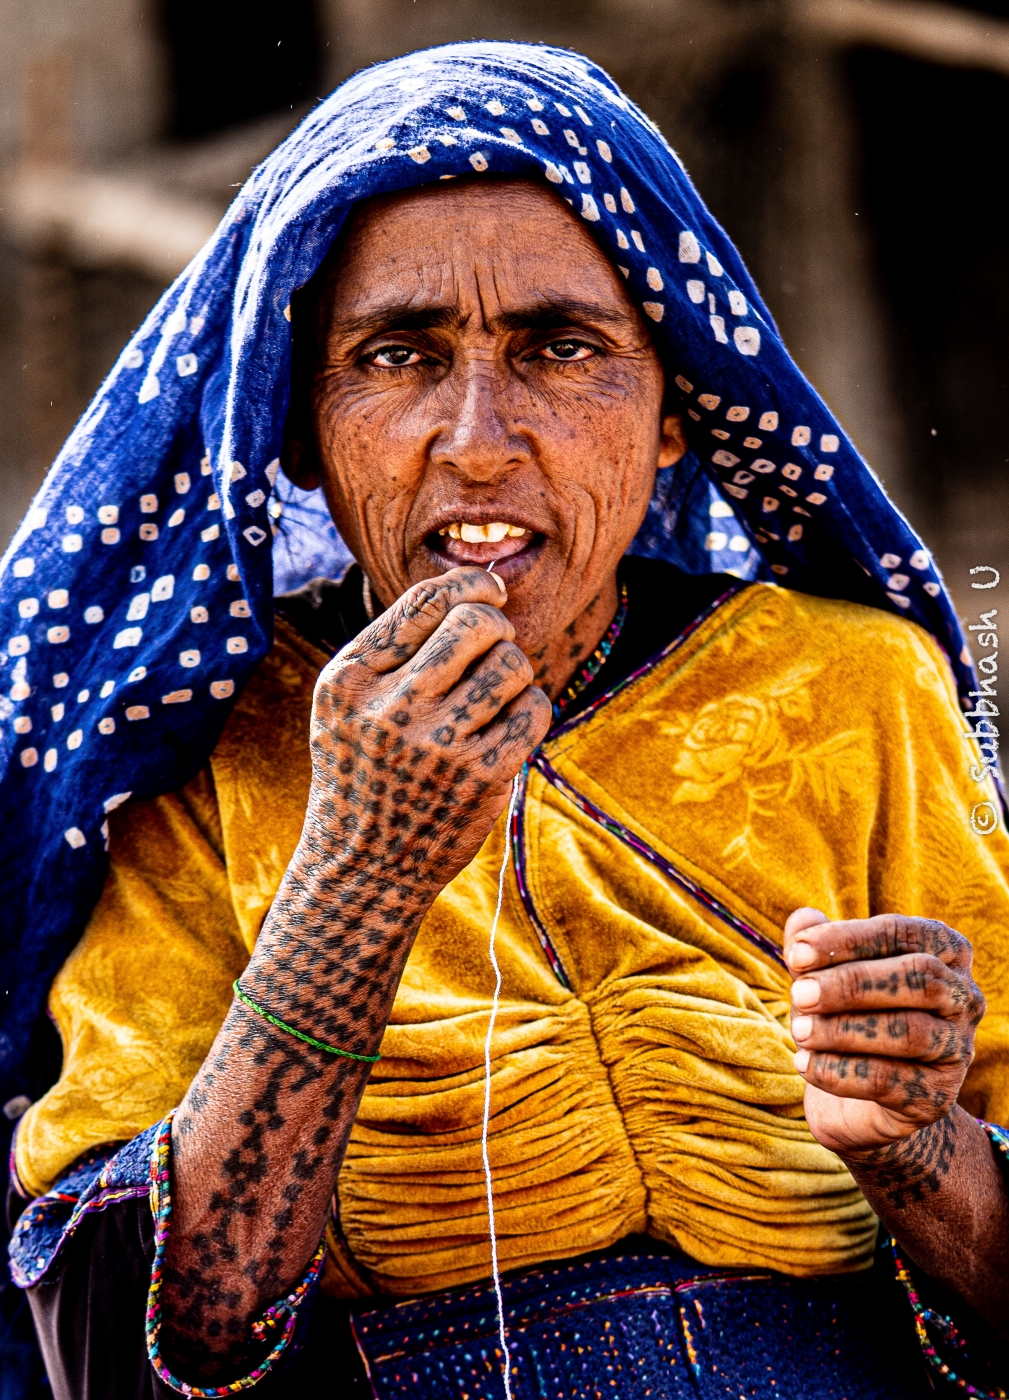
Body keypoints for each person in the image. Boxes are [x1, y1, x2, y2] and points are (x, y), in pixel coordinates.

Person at [3, 41, 1007, 1400]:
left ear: (671, 412)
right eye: (397, 353)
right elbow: (123, 1353)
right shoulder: (201, 756)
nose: (478, 438)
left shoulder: (854, 693)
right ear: (299, 427)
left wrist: (918, 1150)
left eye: (561, 347)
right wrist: (353, 885)